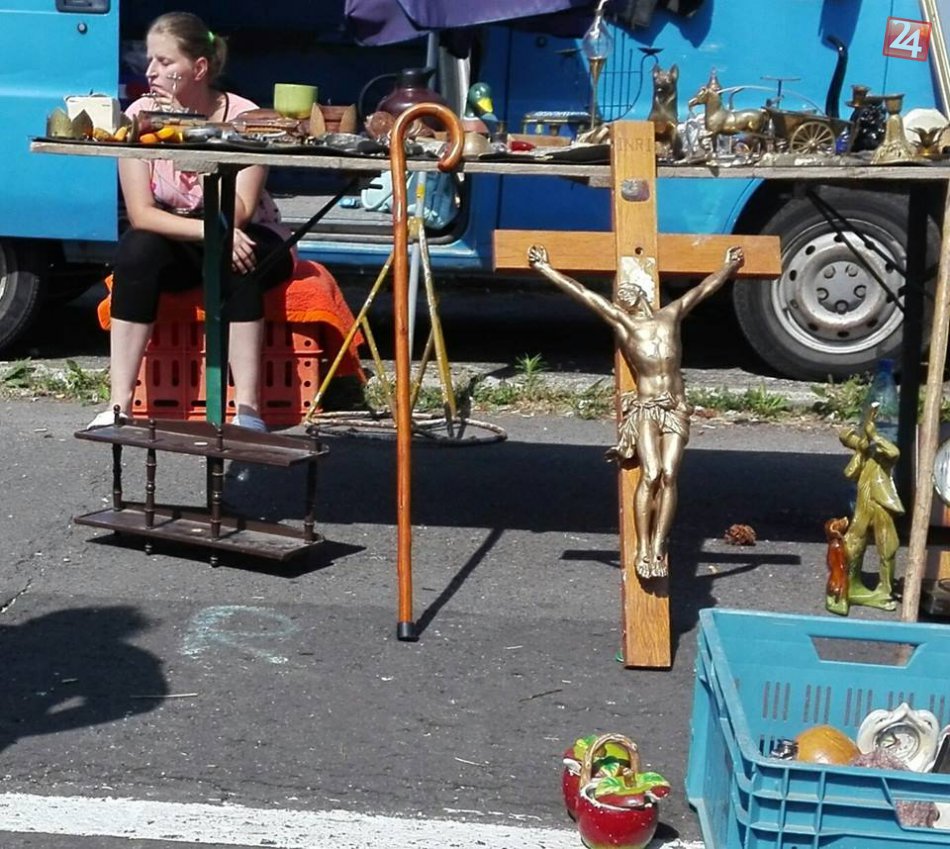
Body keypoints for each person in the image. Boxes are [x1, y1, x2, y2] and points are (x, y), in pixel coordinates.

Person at [87, 12, 293, 431]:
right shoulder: (139, 116)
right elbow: (142, 213)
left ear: (199, 68)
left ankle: (248, 409)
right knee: (136, 248)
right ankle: (118, 404)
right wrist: (213, 233)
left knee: (238, 257)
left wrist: (193, 140)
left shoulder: (246, 117)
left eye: (165, 62)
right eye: (149, 60)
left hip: (244, 228)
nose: (151, 72)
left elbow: (240, 209)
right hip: (185, 230)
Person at [527, 243, 745, 578]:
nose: (622, 298)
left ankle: (658, 546)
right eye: (620, 296)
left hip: (675, 407)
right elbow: (584, 294)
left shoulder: (671, 314)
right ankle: (642, 548)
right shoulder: (624, 325)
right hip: (645, 409)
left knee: (670, 476)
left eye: (627, 293)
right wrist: (545, 269)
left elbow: (702, 290)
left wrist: (728, 267)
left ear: (641, 294)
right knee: (651, 474)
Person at [838, 403, 903, 610]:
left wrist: (874, 436)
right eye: (850, 441)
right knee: (851, 544)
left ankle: (885, 589)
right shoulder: (862, 457)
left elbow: (894, 453)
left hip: (881, 505)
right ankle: (849, 584)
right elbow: (849, 473)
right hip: (863, 507)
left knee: (887, 548)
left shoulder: (882, 455)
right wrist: (860, 450)